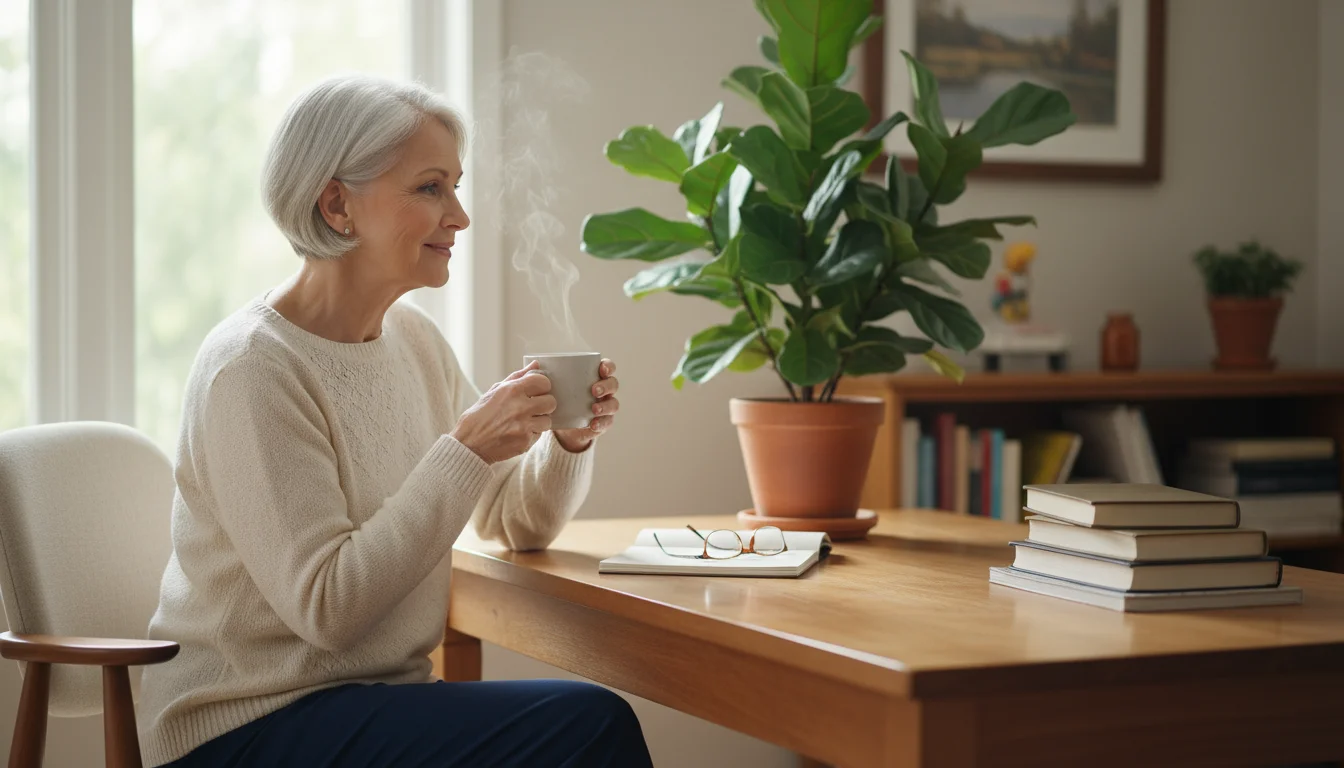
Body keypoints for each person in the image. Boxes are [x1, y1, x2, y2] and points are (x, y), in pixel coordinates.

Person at [136, 74, 652, 768]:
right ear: (336, 204)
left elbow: (515, 522)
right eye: (430, 187)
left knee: (582, 721)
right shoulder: (253, 367)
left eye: (456, 186)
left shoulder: (413, 341)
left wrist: (566, 440)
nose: (460, 216)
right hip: (243, 725)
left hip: (370, 702)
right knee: (588, 724)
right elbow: (327, 610)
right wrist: (465, 450)